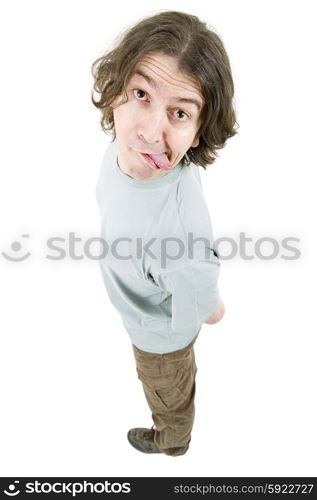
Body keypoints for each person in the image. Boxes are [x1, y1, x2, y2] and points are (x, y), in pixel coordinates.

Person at [91, 10, 238, 456]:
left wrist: (207, 305)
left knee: (166, 391)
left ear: (197, 132)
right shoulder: (127, 150)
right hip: (143, 302)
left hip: (158, 337)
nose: (150, 132)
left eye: (179, 113)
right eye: (140, 94)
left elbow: (206, 306)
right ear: (117, 89)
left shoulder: (179, 241)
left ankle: (173, 441)